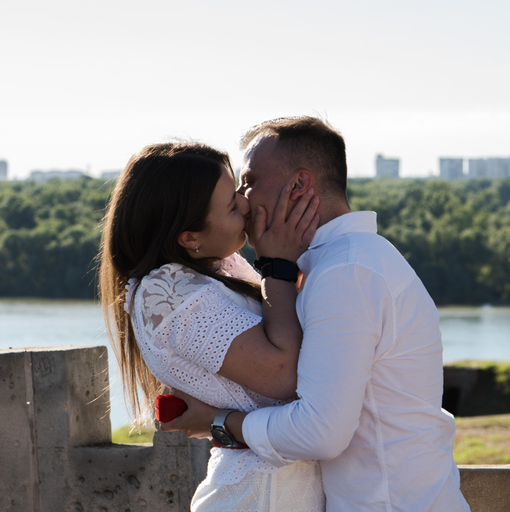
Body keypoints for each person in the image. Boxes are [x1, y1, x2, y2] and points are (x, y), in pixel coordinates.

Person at [161, 117, 471, 511]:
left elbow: (320, 432)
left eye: (250, 180)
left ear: (298, 186)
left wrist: (219, 422)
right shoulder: (339, 264)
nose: (241, 198)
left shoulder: (346, 273)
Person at [98, 142, 325, 511]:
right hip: (258, 495)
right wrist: (276, 263)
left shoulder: (221, 267)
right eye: (233, 206)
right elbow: (284, 375)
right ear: (189, 238)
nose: (247, 204)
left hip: (284, 486)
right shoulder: (165, 292)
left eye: (239, 191)